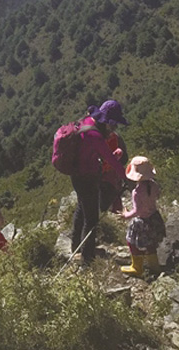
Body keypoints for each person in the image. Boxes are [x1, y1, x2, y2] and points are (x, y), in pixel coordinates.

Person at [69, 99, 128, 264]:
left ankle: (76, 246)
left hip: (76, 175)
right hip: (87, 177)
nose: (114, 128)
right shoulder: (95, 135)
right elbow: (110, 159)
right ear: (108, 121)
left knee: (82, 208)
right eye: (114, 124)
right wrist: (126, 177)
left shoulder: (86, 122)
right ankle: (87, 260)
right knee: (92, 219)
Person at [119, 155, 164, 277]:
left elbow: (137, 211)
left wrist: (125, 215)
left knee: (132, 242)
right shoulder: (154, 185)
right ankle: (154, 266)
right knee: (151, 242)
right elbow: (157, 196)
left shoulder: (137, 192)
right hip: (154, 217)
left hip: (142, 221)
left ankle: (137, 267)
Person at [97, 103, 129, 214]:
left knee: (99, 208)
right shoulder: (116, 137)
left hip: (96, 179)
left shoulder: (93, 137)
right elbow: (124, 158)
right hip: (113, 179)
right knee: (114, 204)